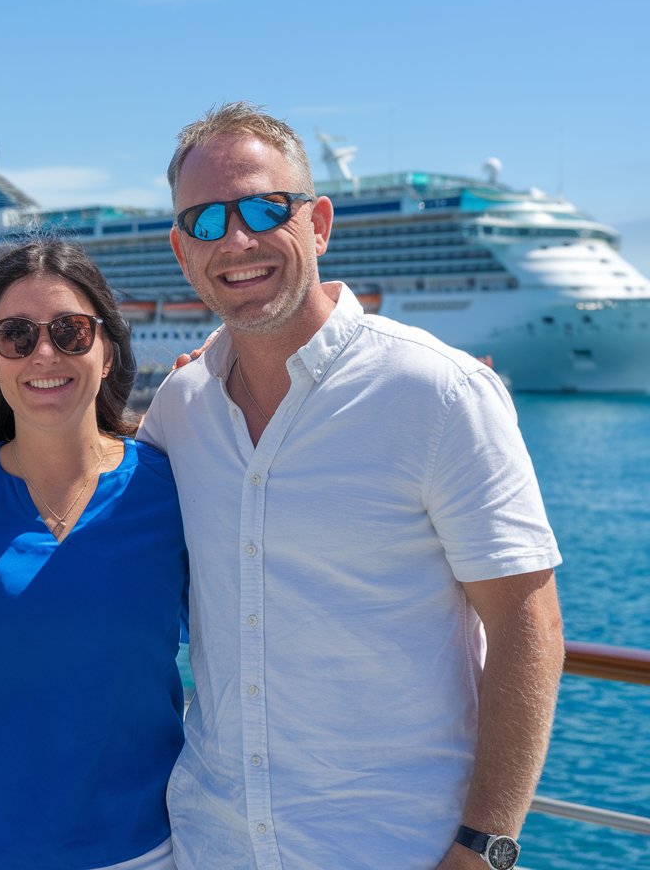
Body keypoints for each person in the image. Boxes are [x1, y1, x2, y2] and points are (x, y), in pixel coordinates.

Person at [139, 102, 565, 870]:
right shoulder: (181, 406)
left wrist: (487, 845)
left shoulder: (437, 392)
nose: (236, 239)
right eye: (205, 221)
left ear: (319, 222)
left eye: (266, 207)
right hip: (212, 842)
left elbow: (528, 628)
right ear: (180, 250)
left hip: (396, 848)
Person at [0, 239, 189, 870]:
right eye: (17, 335)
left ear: (107, 352)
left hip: (141, 848)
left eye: (72, 331)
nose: (44, 353)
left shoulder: (171, 487)